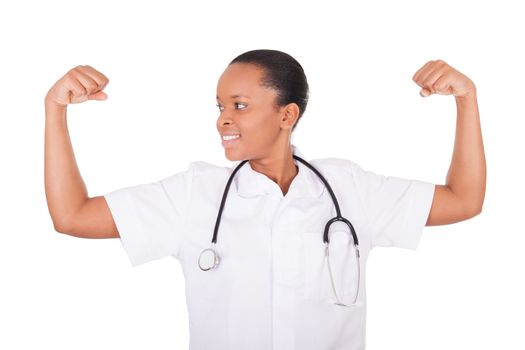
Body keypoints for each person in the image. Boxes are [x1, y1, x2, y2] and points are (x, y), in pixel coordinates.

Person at [44, 49, 486, 350]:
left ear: (286, 114)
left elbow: (464, 200)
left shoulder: (349, 189)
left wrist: (467, 100)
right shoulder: (194, 193)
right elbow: (73, 216)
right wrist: (54, 110)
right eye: (218, 107)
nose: (222, 121)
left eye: (239, 106)